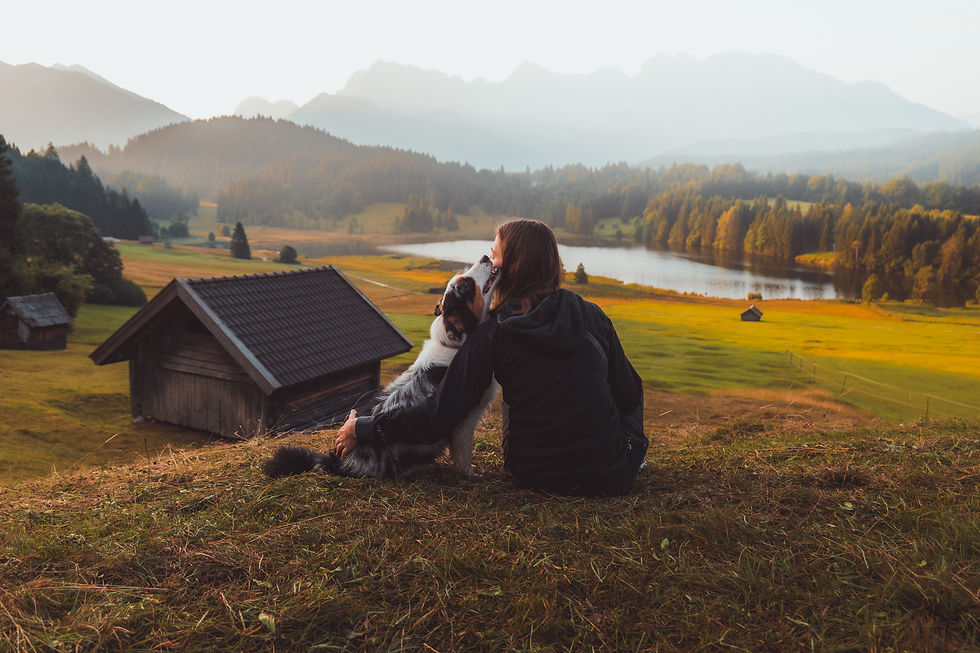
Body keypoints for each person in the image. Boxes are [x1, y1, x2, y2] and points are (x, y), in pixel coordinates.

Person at [335, 218, 647, 496]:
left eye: (495, 256)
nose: (490, 263)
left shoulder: (493, 333)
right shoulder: (593, 315)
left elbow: (438, 414)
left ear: (515, 267)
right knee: (625, 391)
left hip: (533, 475)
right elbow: (630, 393)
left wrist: (363, 428)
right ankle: (626, 455)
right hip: (611, 475)